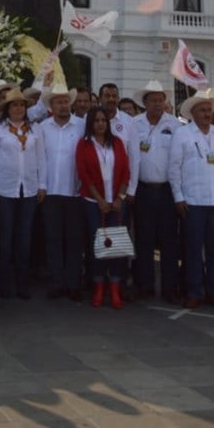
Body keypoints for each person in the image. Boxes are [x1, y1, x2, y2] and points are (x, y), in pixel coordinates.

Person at [168, 90, 214, 310]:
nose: (206, 113)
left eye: (208, 109)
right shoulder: (182, 134)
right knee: (193, 250)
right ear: (192, 113)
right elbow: (174, 168)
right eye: (202, 110)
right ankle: (193, 291)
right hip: (192, 201)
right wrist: (178, 197)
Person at [0, 88, 46, 299]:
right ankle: (4, 284)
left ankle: (23, 284)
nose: (18, 108)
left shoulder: (34, 130)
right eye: (14, 105)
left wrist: (42, 185)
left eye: (21, 105)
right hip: (4, 190)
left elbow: (41, 159)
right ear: (6, 109)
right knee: (5, 238)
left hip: (28, 190)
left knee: (24, 238)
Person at [128, 79, 180, 302]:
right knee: (144, 240)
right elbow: (132, 158)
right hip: (142, 190)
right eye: (153, 100)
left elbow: (179, 161)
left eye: (161, 100)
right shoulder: (134, 124)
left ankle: (169, 288)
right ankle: (144, 285)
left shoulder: (175, 125)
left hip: (167, 190)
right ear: (145, 102)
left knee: (169, 241)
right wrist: (130, 190)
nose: (157, 104)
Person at [76, 105, 131, 309]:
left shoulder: (116, 143)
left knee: (116, 246)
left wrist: (120, 198)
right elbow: (84, 174)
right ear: (90, 124)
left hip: (116, 202)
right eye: (96, 121)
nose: (100, 124)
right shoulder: (84, 145)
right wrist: (99, 199)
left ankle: (115, 287)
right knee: (98, 245)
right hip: (93, 202)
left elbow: (126, 171)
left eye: (103, 121)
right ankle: (98, 286)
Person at [40, 85, 83, 301]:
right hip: (50, 192)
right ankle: (56, 282)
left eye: (66, 101)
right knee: (53, 240)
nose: (63, 105)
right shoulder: (43, 128)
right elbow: (39, 160)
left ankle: (73, 283)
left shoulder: (82, 126)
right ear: (51, 106)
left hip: (74, 192)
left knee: (74, 240)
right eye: (58, 102)